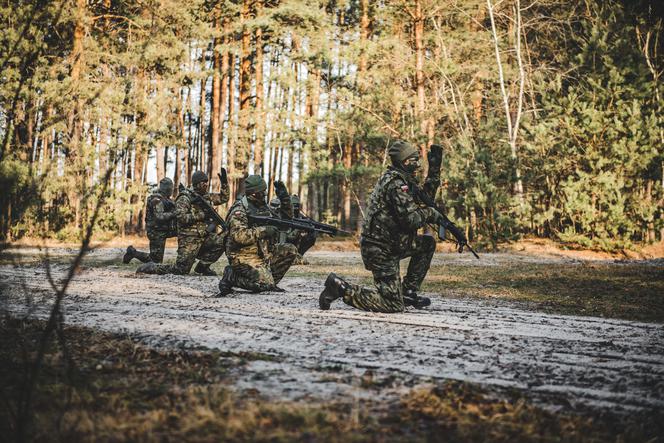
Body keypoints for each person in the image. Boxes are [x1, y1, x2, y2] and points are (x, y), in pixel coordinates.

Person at [319, 141, 464, 312]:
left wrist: (434, 170)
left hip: (392, 243)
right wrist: (432, 214)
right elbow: (411, 220)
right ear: (404, 162)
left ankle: (408, 292)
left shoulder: (402, 179)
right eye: (414, 160)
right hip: (380, 250)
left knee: (427, 244)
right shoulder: (396, 184)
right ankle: (340, 288)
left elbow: (425, 199)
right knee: (392, 305)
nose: (417, 164)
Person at [136, 169, 229, 276]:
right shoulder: (185, 197)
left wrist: (225, 183)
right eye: (203, 182)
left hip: (204, 236)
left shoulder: (207, 197)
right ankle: (152, 267)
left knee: (224, 240)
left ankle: (203, 267)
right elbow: (181, 217)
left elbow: (224, 198)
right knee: (181, 270)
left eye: (207, 182)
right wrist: (201, 215)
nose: (206, 185)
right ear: (197, 184)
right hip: (189, 239)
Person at [217, 176, 298, 295]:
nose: (265, 194)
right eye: (262, 192)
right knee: (264, 284)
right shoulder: (240, 210)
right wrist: (264, 230)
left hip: (261, 253)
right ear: (254, 193)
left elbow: (286, 219)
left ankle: (269, 282)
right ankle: (231, 276)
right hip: (242, 256)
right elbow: (239, 236)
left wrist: (284, 198)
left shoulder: (262, 206)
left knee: (290, 250)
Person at [123, 177, 177, 264]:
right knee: (155, 261)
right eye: (170, 188)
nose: (172, 190)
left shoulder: (166, 199)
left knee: (184, 232)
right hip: (156, 231)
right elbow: (159, 217)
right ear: (166, 188)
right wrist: (174, 214)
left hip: (163, 229)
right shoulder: (157, 199)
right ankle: (133, 253)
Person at [285, 194, 317, 259]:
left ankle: (299, 255)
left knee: (313, 233)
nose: (295, 207)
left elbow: (310, 223)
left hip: (296, 243)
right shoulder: (284, 215)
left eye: (297, 205)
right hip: (285, 242)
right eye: (294, 205)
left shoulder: (300, 217)